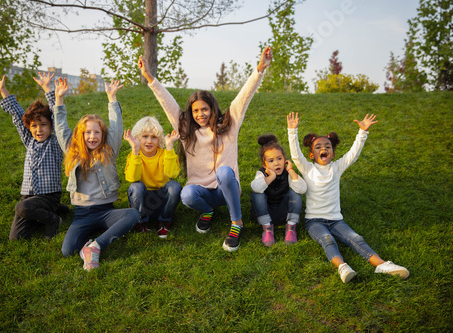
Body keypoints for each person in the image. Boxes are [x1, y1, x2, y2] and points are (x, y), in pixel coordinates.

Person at [138, 46, 273, 252]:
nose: (200, 114)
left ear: (212, 109)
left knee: (225, 171)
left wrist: (260, 69)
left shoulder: (229, 125)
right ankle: (207, 211)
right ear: (190, 114)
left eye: (204, 109)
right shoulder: (185, 130)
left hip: (226, 188)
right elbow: (167, 102)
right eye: (195, 111)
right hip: (203, 192)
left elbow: (244, 97)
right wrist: (149, 77)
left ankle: (236, 223)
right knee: (187, 195)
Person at [287, 112, 409, 283]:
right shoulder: (307, 168)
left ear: (333, 154)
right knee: (327, 239)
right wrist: (292, 131)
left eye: (328, 147)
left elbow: (353, 154)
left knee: (356, 238)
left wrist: (362, 132)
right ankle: (342, 267)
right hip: (314, 221)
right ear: (311, 155)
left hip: (336, 220)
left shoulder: (336, 168)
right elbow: (295, 155)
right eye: (319, 147)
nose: (324, 149)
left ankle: (381, 265)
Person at [53, 77, 140, 271]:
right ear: (81, 135)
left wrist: (112, 97)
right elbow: (60, 128)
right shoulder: (72, 151)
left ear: (103, 135)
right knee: (67, 250)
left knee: (133, 214)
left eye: (97, 132)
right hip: (82, 215)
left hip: (106, 211)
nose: (92, 136)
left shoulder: (109, 151)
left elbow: (117, 126)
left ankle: (95, 246)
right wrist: (59, 100)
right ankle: (94, 239)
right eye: (88, 133)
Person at [0, 73, 67, 240]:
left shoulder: (55, 142)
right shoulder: (29, 140)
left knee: (23, 208)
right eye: (34, 126)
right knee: (17, 238)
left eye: (43, 125)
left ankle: (54, 218)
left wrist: (48, 88)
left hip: (49, 195)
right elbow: (18, 115)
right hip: (28, 195)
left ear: (51, 126)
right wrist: (3, 90)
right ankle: (56, 210)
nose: (38, 130)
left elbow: (56, 114)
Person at [123, 116, 182, 238]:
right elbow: (132, 178)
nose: (149, 141)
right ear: (137, 138)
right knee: (136, 187)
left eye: (154, 137)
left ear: (159, 139)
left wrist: (170, 148)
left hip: (161, 199)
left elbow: (172, 174)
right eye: (145, 136)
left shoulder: (165, 154)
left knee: (174, 186)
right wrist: (135, 150)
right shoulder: (134, 155)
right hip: (142, 201)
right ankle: (142, 221)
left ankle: (164, 220)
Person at [250, 134, 306, 247]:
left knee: (295, 193)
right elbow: (255, 187)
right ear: (264, 164)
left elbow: (302, 189)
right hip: (265, 212)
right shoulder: (262, 173)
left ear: (285, 160)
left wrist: (290, 170)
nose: (276, 163)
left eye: (279, 158)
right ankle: (267, 229)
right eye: (271, 161)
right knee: (257, 194)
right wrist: (271, 177)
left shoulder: (287, 173)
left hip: (283, 214)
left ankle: (291, 228)